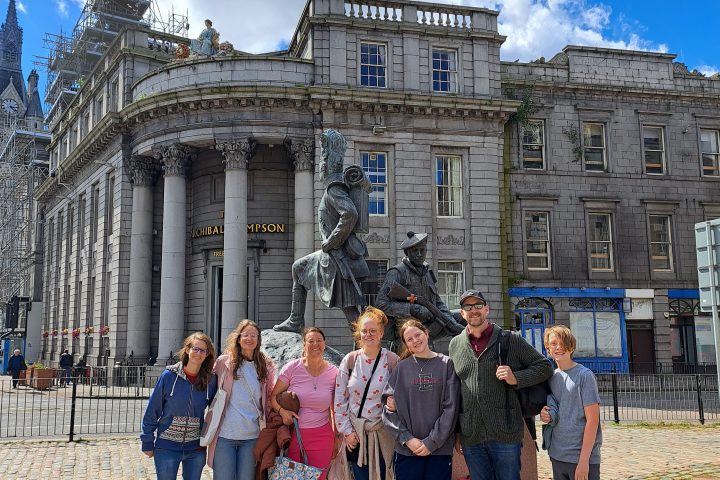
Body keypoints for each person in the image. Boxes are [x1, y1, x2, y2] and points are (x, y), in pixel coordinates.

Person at [448, 289, 553, 480]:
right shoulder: (455, 344)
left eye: (478, 305)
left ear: (487, 309)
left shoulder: (509, 339)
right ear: (461, 313)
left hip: (505, 433)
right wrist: (457, 432)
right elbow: (456, 392)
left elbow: (544, 367)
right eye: (468, 307)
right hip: (471, 435)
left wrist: (517, 378)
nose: (474, 310)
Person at [273, 129, 371, 332]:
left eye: (320, 163)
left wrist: (331, 242)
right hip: (336, 255)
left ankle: (365, 342)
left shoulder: (334, 188)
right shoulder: (334, 188)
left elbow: (350, 214)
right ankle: (295, 320)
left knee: (351, 309)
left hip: (338, 255)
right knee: (301, 270)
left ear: (325, 165)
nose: (319, 167)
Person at [382, 319, 459, 480]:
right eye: (409, 339)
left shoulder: (446, 364)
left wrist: (431, 442)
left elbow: (451, 408)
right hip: (408, 451)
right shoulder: (401, 369)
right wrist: (407, 439)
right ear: (406, 345)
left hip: (439, 450)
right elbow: (388, 412)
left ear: (426, 333)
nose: (415, 340)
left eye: (417, 335)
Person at [334, 306, 399, 480]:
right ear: (359, 333)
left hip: (384, 432)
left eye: (373, 331)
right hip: (357, 434)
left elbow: (402, 395)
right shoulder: (350, 360)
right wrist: (347, 432)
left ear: (381, 333)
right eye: (365, 331)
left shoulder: (392, 360)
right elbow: (340, 400)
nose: (368, 335)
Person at [141, 333, 217, 480]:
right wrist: (147, 441)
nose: (199, 353)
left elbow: (217, 409)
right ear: (187, 350)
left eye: (203, 350)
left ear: (207, 355)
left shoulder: (210, 380)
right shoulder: (168, 376)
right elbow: (152, 409)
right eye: (196, 349)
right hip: (167, 447)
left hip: (196, 449)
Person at [206, 320, 276, 480]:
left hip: (252, 436)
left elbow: (270, 397)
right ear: (238, 338)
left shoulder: (265, 365)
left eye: (254, 335)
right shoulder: (224, 362)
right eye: (246, 335)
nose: (249, 338)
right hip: (225, 434)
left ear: (258, 340)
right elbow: (208, 387)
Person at [271, 327, 340, 480]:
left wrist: (336, 439)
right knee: (293, 477)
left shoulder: (334, 372)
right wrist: (283, 411)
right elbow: (273, 396)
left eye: (319, 340)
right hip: (295, 434)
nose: (315, 344)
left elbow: (334, 410)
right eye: (310, 341)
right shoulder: (292, 368)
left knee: (319, 477)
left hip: (323, 437)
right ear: (304, 344)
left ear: (324, 344)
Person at [375, 231, 464, 345]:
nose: (419, 254)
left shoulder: (427, 273)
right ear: (407, 252)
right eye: (415, 251)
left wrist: (451, 322)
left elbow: (438, 303)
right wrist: (413, 309)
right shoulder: (397, 272)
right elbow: (381, 305)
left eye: (422, 250)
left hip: (429, 324)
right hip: (406, 329)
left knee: (464, 316)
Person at [540, 325, 602, 480]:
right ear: (548, 348)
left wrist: (583, 461)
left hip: (581, 458)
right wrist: (544, 414)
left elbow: (593, 420)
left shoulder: (584, 376)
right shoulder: (552, 377)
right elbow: (554, 408)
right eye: (553, 343)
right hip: (557, 454)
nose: (559, 347)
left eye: (563, 343)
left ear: (571, 346)